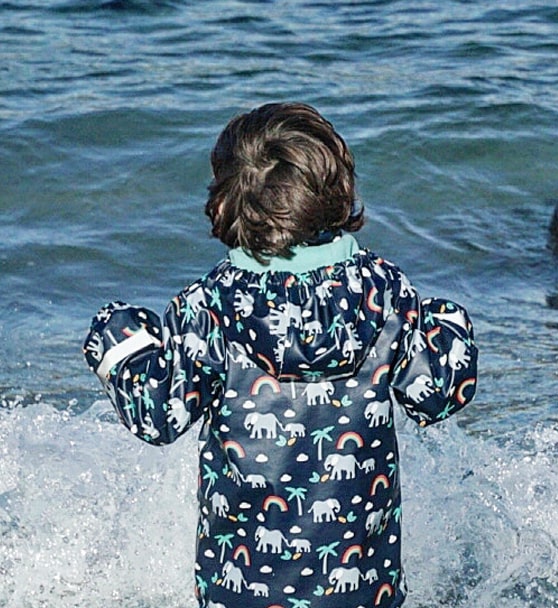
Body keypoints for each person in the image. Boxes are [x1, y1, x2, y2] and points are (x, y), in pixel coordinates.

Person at [82, 102, 478, 608]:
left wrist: (120, 337)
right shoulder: (385, 292)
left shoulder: (208, 307)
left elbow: (157, 416)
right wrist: (447, 320)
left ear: (222, 204)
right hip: (362, 591)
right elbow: (440, 394)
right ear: (339, 193)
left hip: (240, 592)